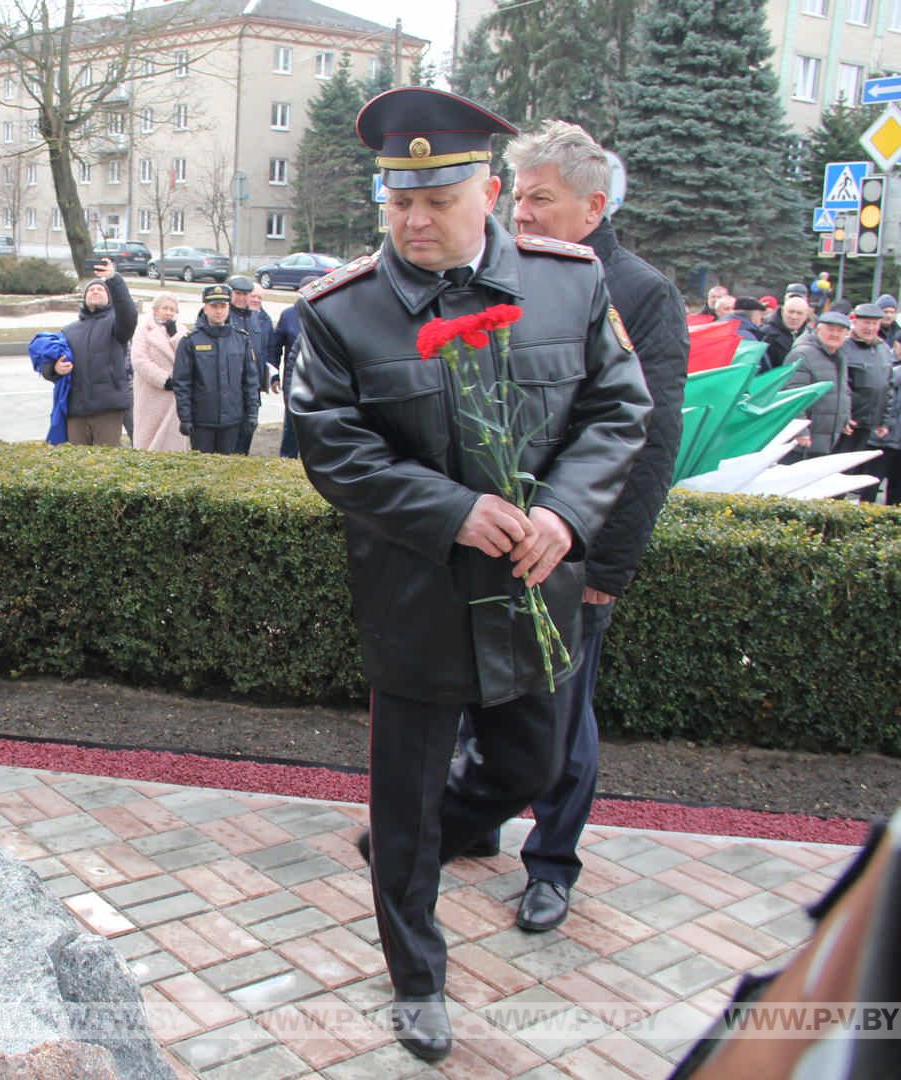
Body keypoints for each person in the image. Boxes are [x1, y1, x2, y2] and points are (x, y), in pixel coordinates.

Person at [288, 88, 650, 1064]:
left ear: (486, 192)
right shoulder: (341, 312)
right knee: (403, 810)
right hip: (416, 600)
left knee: (530, 764)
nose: (414, 218)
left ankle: (426, 838)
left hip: (536, 595)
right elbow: (333, 448)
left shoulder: (569, 284)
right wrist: (453, 510)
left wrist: (564, 514)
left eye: (437, 198)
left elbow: (620, 413)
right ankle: (418, 983)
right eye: (398, 198)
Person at [453, 119, 687, 936]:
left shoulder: (640, 292)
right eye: (518, 196)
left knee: (561, 716)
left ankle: (553, 863)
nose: (523, 213)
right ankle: (477, 818)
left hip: (573, 551)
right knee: (481, 690)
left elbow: (648, 441)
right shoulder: (499, 271)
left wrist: (601, 566)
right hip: (496, 542)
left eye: (542, 200)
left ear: (593, 206)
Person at [43, 258, 134, 446]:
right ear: (84, 298)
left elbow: (128, 313)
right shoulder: (69, 331)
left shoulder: (117, 325)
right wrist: (54, 369)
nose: (95, 291)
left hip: (108, 409)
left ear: (110, 298)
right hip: (76, 411)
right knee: (77, 466)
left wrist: (113, 279)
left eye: (100, 289)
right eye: (91, 289)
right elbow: (48, 362)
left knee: (104, 466)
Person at [173, 283, 258, 455]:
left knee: (228, 472)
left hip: (233, 420)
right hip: (202, 421)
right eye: (214, 306)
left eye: (223, 306)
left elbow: (250, 381)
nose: (219, 311)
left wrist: (252, 413)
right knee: (203, 471)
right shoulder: (191, 341)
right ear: (205, 308)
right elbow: (182, 383)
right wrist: (185, 417)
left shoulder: (241, 339)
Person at [784, 311, 853, 461]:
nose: (835, 334)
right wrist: (800, 430)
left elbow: (843, 390)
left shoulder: (840, 356)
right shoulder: (802, 354)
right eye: (830, 329)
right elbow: (793, 395)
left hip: (827, 437)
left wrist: (845, 418)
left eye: (840, 330)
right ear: (818, 330)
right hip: (805, 440)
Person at [131, 294, 187, 451]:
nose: (169, 312)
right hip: (151, 392)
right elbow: (139, 360)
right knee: (149, 440)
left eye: (172, 309)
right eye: (165, 308)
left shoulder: (181, 331)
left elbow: (187, 357)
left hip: (175, 396)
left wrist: (175, 335)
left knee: (173, 441)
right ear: (155, 310)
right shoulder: (143, 330)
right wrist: (164, 380)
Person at [838, 302, 892, 456]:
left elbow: (888, 387)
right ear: (855, 322)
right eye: (866, 323)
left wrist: (883, 421)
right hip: (849, 423)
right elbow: (841, 388)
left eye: (874, 323)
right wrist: (844, 417)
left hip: (869, 424)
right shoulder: (844, 347)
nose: (870, 328)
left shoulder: (883, 349)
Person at [225, 275, 270, 452]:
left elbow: (260, 352)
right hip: (230, 391)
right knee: (229, 445)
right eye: (238, 293)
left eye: (246, 294)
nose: (242, 298)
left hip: (252, 389)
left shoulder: (254, 318)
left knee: (246, 439)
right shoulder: (224, 316)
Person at [868, 337, 901, 503]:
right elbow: (883, 384)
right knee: (871, 484)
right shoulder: (886, 359)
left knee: (899, 490)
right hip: (883, 436)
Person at [272, 303, 302, 459]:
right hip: (294, 379)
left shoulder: (328, 312)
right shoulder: (289, 315)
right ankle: (287, 459)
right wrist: (274, 375)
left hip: (321, 383)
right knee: (292, 427)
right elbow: (275, 347)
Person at [760, 294, 810, 372]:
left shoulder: (810, 336)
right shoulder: (767, 334)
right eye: (791, 312)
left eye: (799, 313)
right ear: (783, 311)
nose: (794, 317)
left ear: (806, 316)